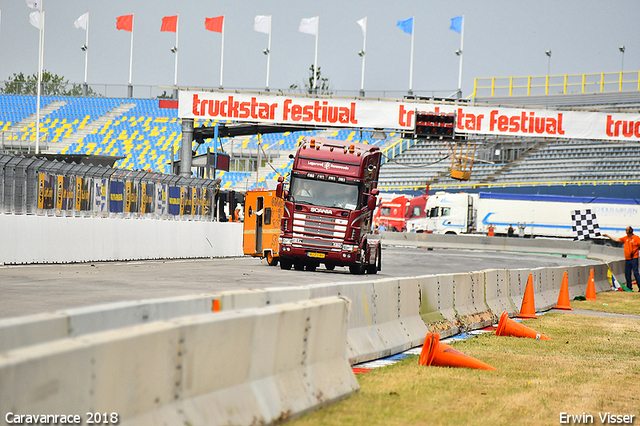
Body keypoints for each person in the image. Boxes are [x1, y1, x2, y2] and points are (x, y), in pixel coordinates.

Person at [603, 226, 640, 291]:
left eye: (626, 230)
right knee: (627, 273)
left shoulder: (636, 238)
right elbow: (616, 240)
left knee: (635, 273)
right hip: (627, 259)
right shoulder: (625, 238)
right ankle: (629, 287)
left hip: (634, 258)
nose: (625, 231)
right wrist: (608, 236)